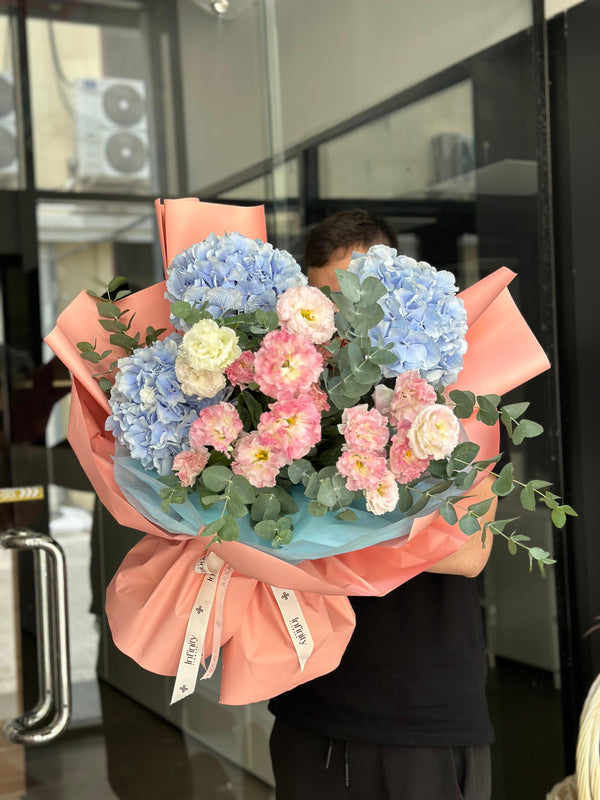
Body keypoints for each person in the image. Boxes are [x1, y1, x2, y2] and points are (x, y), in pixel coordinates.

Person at [268, 209, 497, 800]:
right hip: (308, 701)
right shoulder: (284, 400)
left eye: (360, 296)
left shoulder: (461, 389)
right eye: (326, 304)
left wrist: (321, 523)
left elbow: (469, 551)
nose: (346, 322)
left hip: (420, 714)